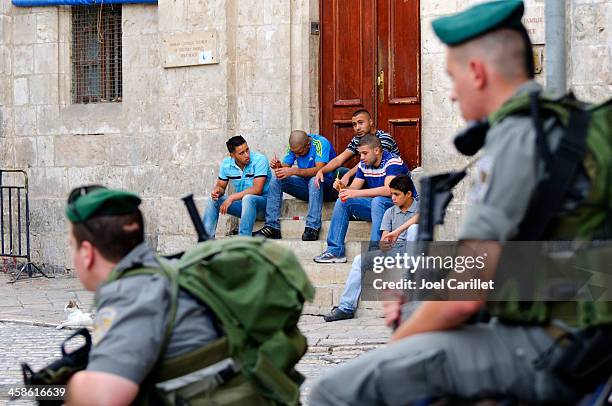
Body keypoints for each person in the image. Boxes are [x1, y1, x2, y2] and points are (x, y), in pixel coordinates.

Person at [310, 1, 610, 404]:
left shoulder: (516, 140)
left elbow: (465, 295)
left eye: (452, 78)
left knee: (336, 390)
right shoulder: (580, 126)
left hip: (550, 350)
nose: (450, 94)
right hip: (591, 340)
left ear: (478, 73)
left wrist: (400, 344)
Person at [64, 186, 220, 405]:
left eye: (72, 245)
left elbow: (102, 399)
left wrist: (64, 386)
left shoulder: (131, 293)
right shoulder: (160, 272)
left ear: (87, 253)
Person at [324, 175, 419, 322]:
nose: (392, 198)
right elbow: (384, 241)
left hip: (413, 252)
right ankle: (346, 307)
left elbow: (421, 217)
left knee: (414, 229)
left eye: (396, 194)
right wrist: (385, 243)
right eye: (392, 193)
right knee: (358, 260)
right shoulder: (389, 213)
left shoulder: (420, 207)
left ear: (408, 194)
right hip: (395, 252)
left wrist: (398, 231)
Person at [313, 134, 410, 263]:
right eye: (360, 154)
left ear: (376, 150)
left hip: (401, 210)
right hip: (379, 209)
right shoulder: (364, 164)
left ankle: (376, 252)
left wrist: (355, 193)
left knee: (378, 200)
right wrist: (343, 188)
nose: (361, 158)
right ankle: (335, 251)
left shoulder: (393, 161)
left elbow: (389, 190)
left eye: (364, 153)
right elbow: (353, 190)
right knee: (344, 200)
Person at [253, 130, 343, 241]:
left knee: (315, 180)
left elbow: (320, 170)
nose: (296, 155)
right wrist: (279, 166)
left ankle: (312, 227)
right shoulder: (294, 147)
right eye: (294, 152)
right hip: (306, 187)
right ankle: (272, 226)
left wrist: (294, 171)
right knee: (277, 179)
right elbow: (286, 166)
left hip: (327, 187)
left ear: (308, 145)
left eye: (299, 153)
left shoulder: (320, 143)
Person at [314, 109, 401, 190]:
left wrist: (348, 175)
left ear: (370, 122)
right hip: (367, 176)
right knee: (339, 172)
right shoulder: (358, 139)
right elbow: (339, 159)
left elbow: (370, 160)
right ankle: (341, 192)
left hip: (387, 178)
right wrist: (321, 170)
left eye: (360, 123)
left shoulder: (384, 138)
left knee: (348, 174)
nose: (357, 127)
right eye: (354, 124)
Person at [202, 136, 271, 237]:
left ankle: (243, 240)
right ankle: (205, 243)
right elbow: (221, 186)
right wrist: (217, 190)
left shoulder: (260, 160)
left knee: (248, 198)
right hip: (244, 207)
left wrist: (232, 197)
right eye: (241, 153)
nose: (247, 155)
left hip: (264, 206)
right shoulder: (226, 164)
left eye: (247, 149)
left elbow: (257, 189)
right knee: (213, 200)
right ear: (232, 155)